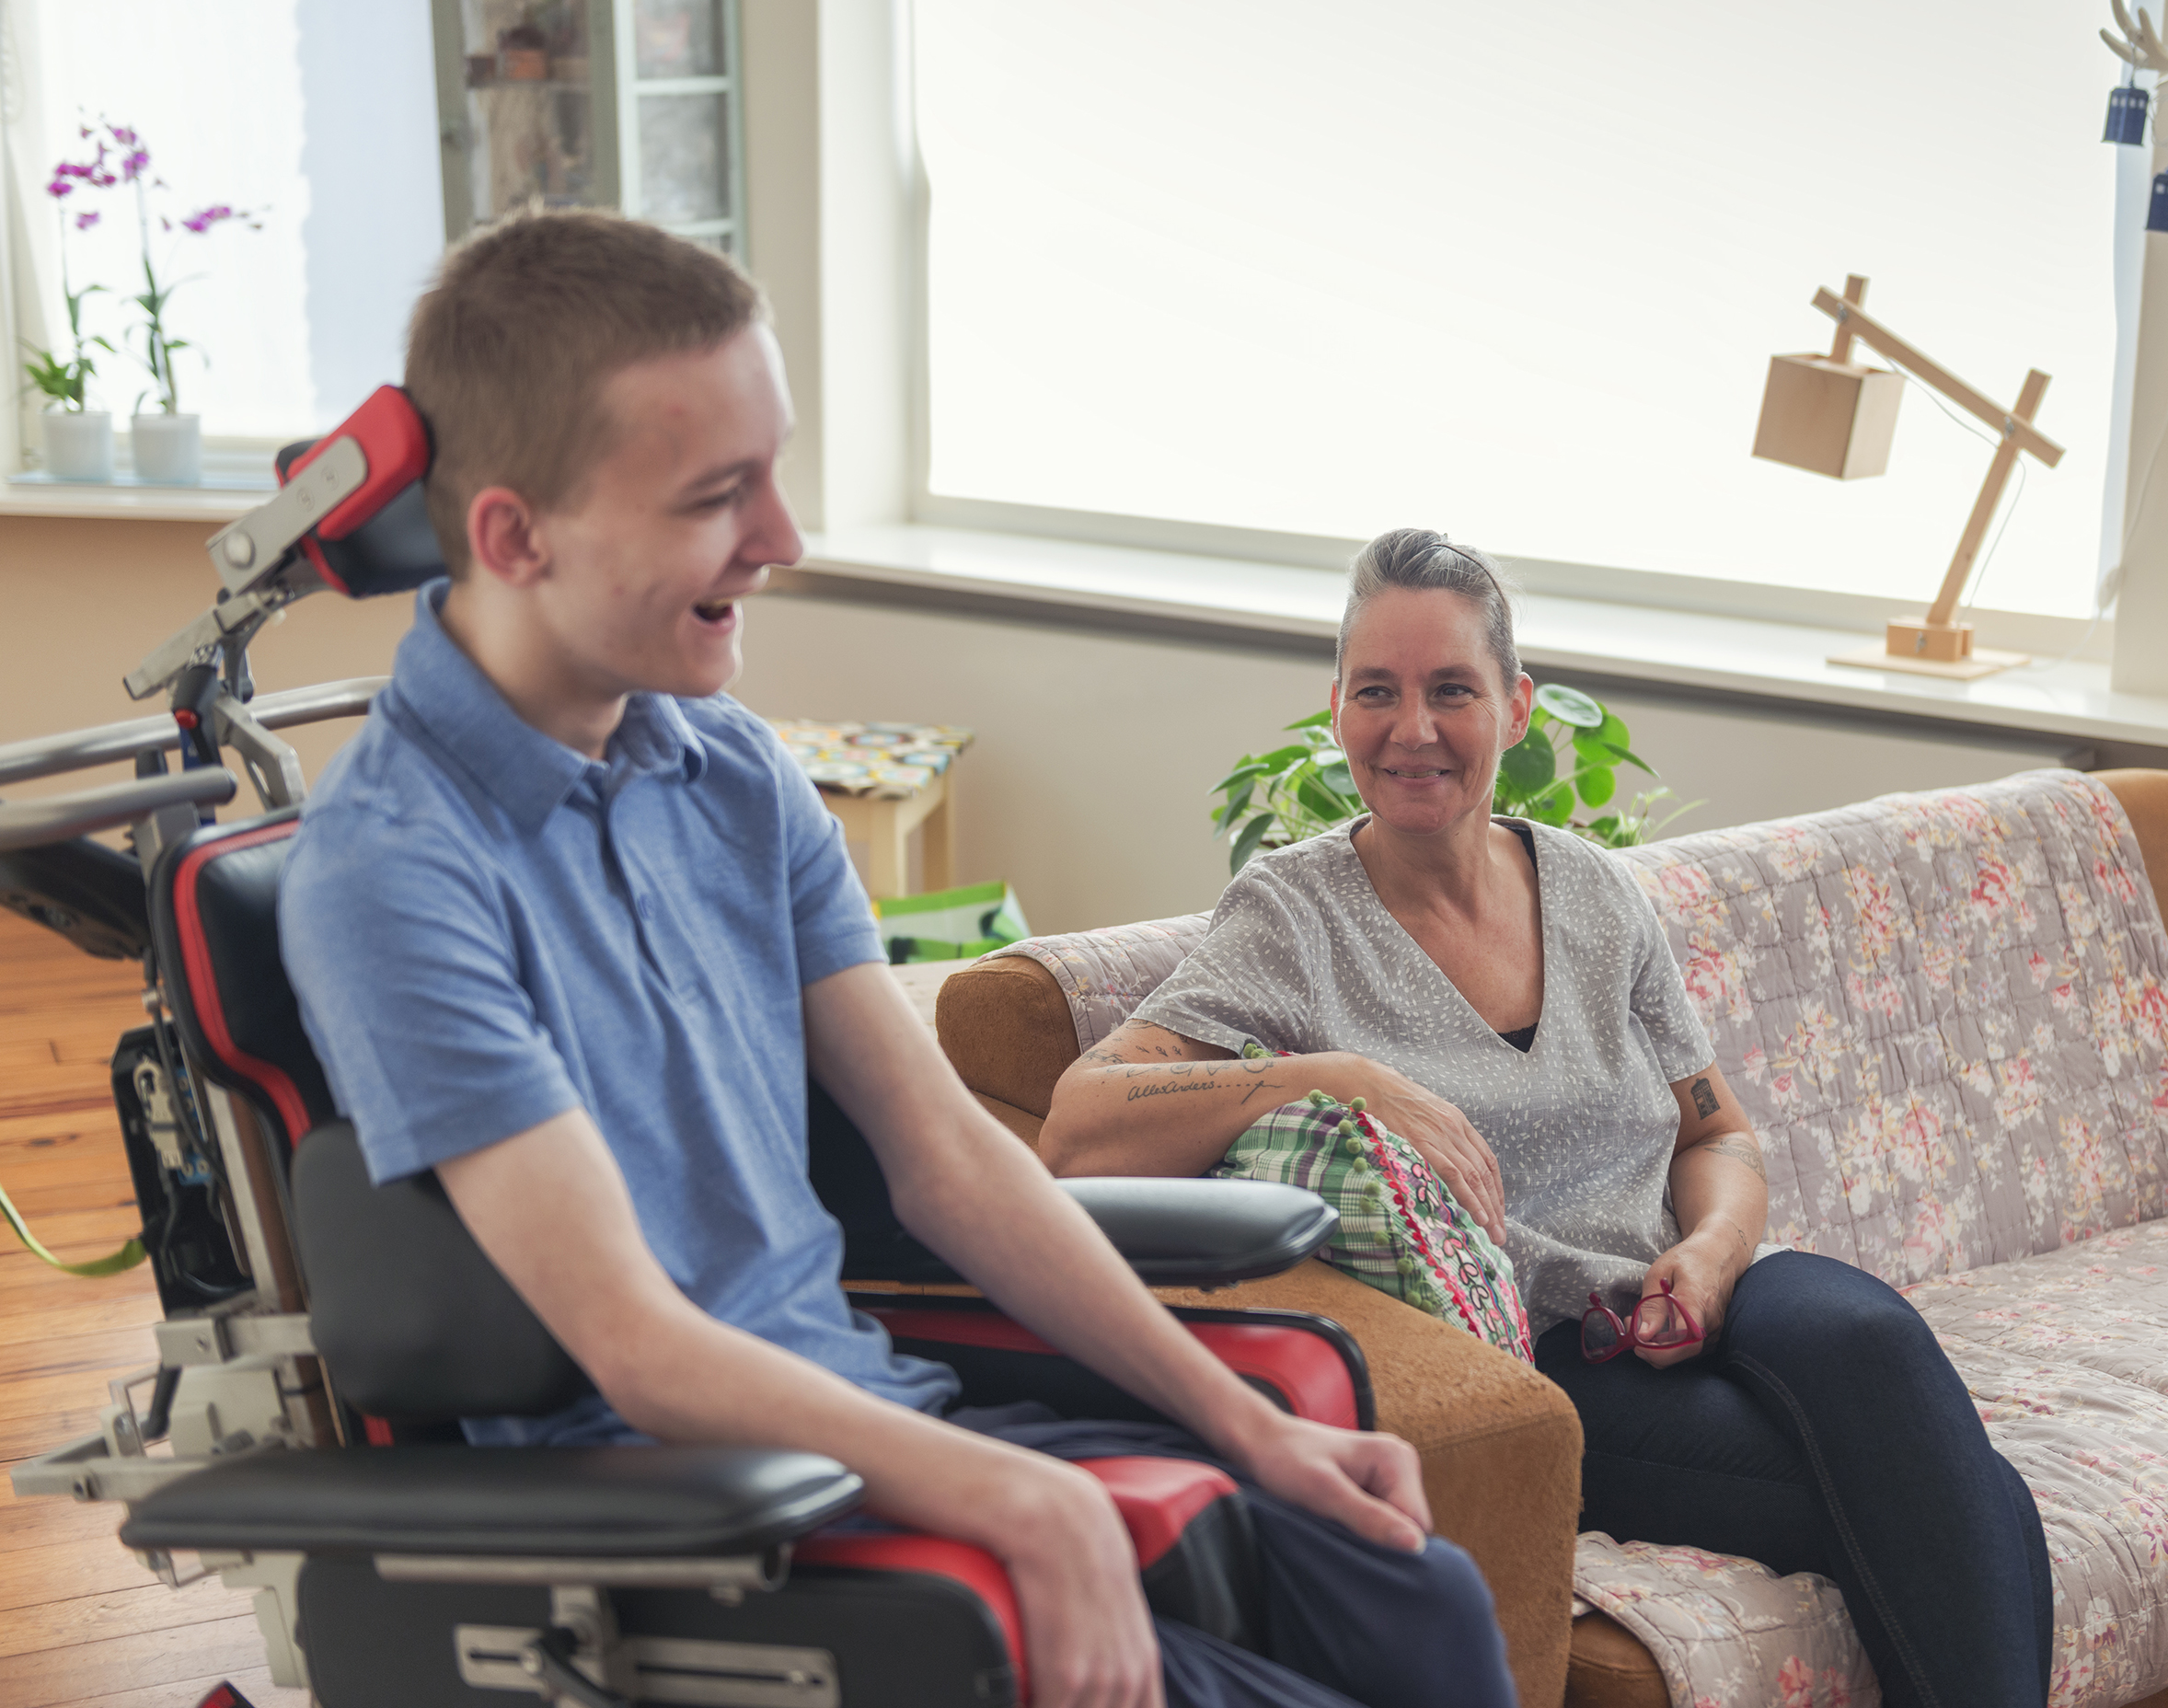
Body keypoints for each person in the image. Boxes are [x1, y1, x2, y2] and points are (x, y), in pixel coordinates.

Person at [278, 214, 1514, 1708]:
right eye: (717, 496)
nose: (785, 539)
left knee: (1421, 1603)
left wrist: (1249, 1422)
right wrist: (1018, 1500)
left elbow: (949, 1157)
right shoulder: (396, 869)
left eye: (775, 471)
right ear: (513, 536)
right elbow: (632, 1341)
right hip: (694, 1508)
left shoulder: (728, 771)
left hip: (873, 1406)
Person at [1038, 529, 2054, 1708]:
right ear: (1336, 709)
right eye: (1378, 690)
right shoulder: (1292, 915)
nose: (1411, 727)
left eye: (1451, 689)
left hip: (1701, 1286)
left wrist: (1712, 1258)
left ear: (1516, 707)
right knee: (1964, 1494)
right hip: (1548, 1357)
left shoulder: (1591, 889)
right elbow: (1080, 1124)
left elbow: (1713, 1132)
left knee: (1874, 1345)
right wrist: (1332, 1076)